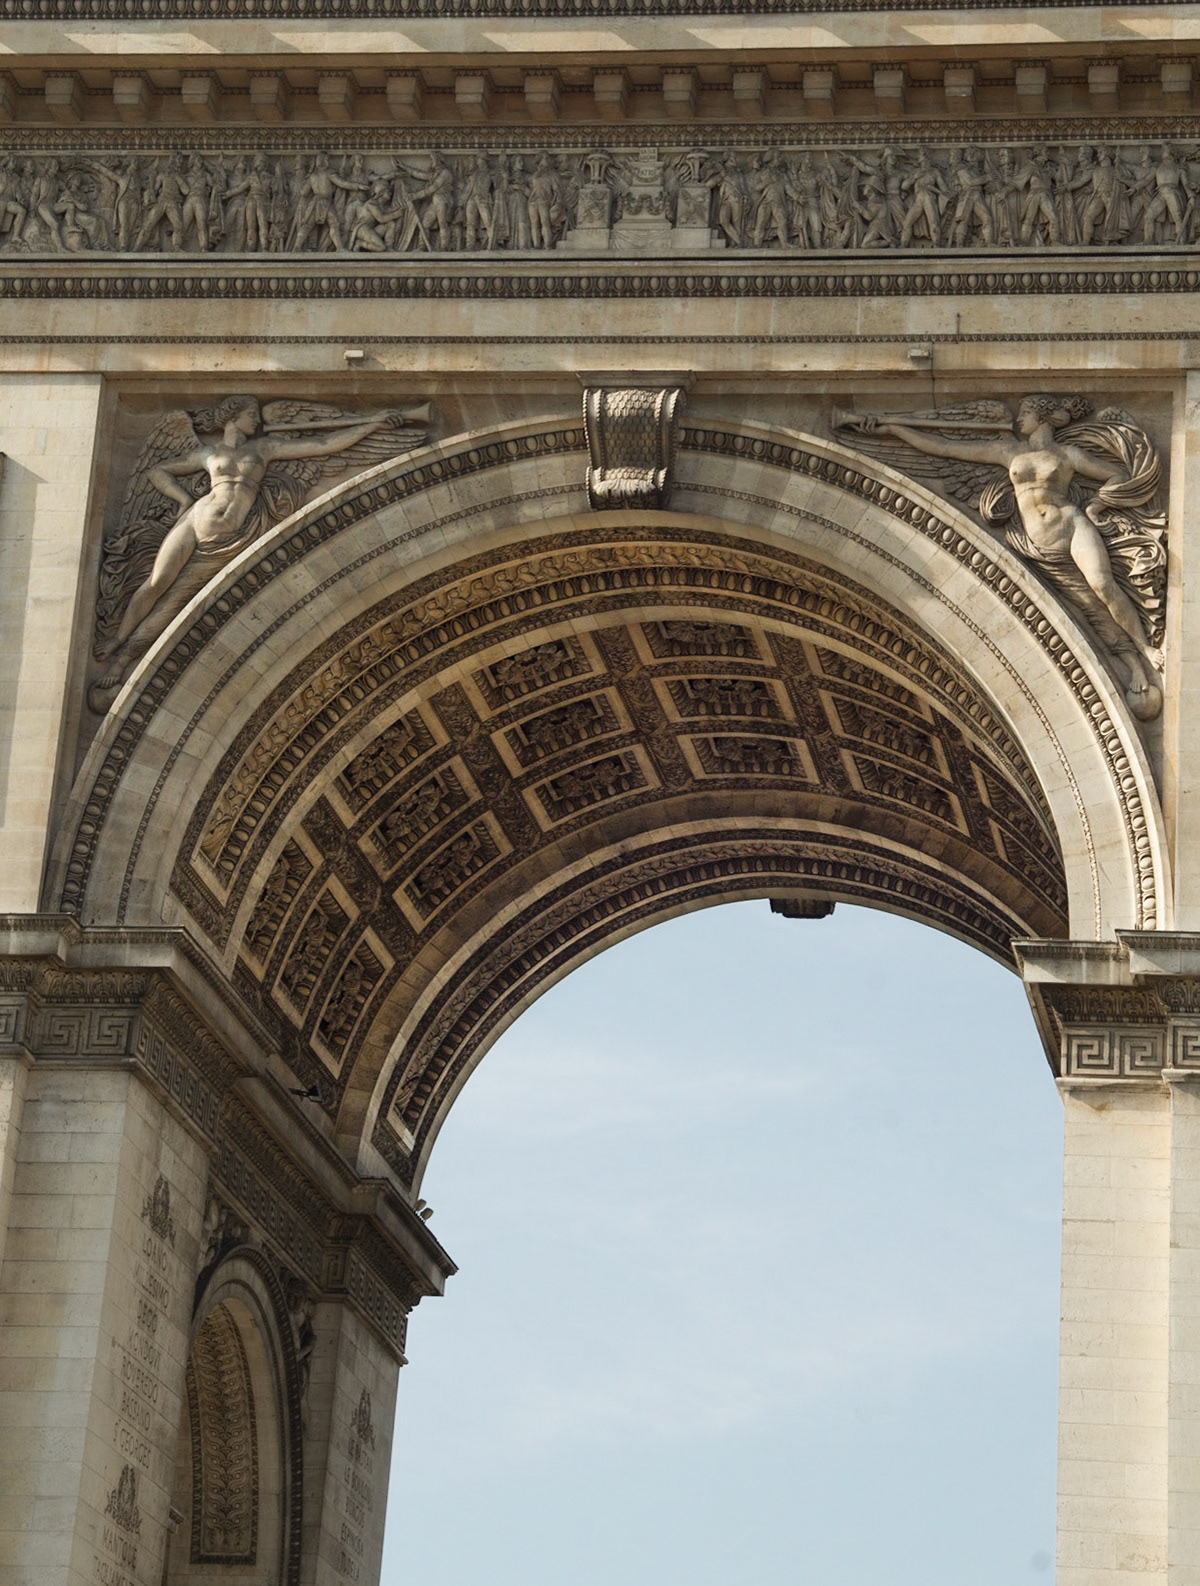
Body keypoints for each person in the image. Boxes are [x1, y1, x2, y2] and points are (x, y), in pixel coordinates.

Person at [855, 395, 1161, 716]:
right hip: (1039, 545)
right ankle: (1133, 666)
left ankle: (1145, 649)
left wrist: (1097, 505)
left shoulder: (1068, 455)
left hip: (1073, 525)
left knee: (1103, 585)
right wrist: (893, 428)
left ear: (1042, 417)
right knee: (1089, 608)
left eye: (1026, 413)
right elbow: (941, 447)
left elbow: (1116, 474)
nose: (1019, 420)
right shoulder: (1009, 451)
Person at [93, 397, 399, 689]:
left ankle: (122, 662)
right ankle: (117, 638)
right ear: (233, 417)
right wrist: (184, 499)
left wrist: (372, 424)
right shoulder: (208, 453)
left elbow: (324, 445)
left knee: (176, 601)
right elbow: (157, 470)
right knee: (157, 582)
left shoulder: (265, 448)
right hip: (194, 521)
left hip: (228, 538)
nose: (257, 419)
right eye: (251, 414)